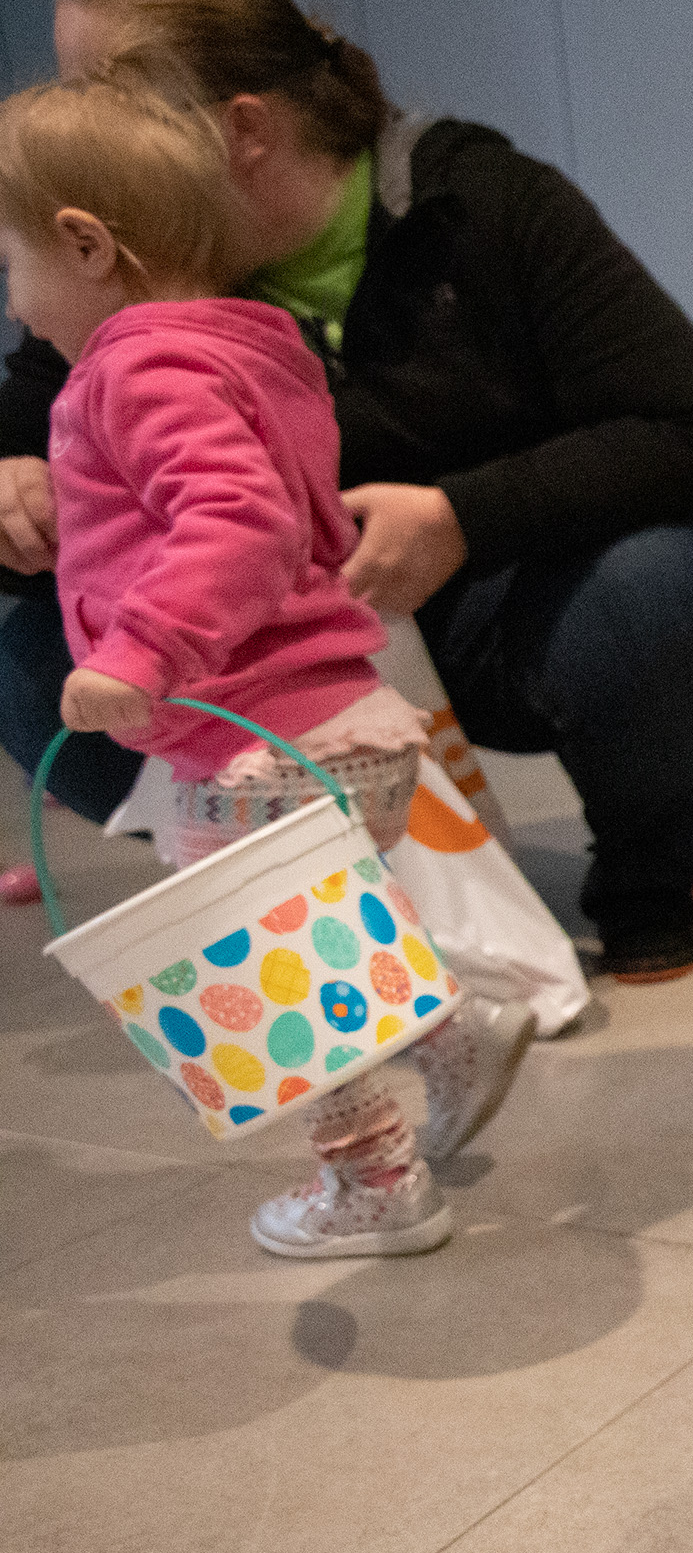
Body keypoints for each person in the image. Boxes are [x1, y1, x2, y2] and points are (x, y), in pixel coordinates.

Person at [0, 0, 693, 982]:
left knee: (664, 589)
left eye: (112, 91)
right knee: (37, 666)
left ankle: (646, 873)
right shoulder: (117, 280)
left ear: (244, 130)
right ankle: (300, 886)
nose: (79, 122)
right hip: (261, 660)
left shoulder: (482, 202)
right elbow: (27, 434)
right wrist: (18, 483)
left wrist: (460, 516)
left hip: (489, 603)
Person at [0, 71, 534, 1258]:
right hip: (345, 721)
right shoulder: (253, 344)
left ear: (86, 246)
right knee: (332, 930)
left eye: (12, 267)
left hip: (249, 742)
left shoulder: (137, 369)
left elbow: (236, 521)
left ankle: (375, 1190)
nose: (17, 305)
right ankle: (458, 1028)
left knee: (285, 990)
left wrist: (140, 651)